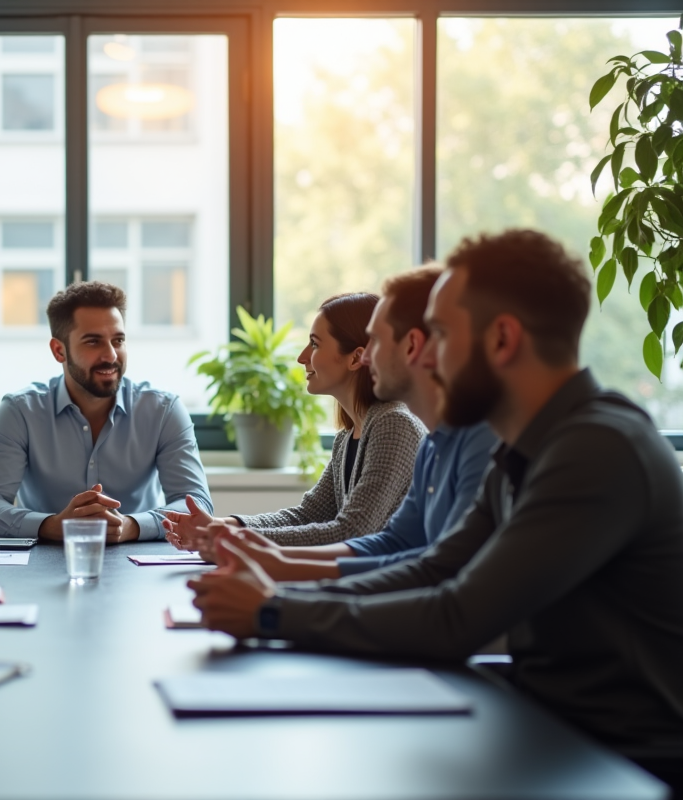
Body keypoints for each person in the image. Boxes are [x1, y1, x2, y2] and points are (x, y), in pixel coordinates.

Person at [189, 229, 683, 783]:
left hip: (620, 762)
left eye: (442, 334)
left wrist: (273, 612)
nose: (425, 354)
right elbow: (433, 566)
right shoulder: (525, 448)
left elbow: (458, 614)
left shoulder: (597, 448)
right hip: (544, 724)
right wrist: (275, 595)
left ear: (502, 340)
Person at [212, 267, 495, 581]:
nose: (366, 357)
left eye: (374, 341)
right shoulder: (428, 444)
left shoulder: (405, 427)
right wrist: (236, 533)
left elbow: (361, 534)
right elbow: (392, 543)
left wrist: (250, 553)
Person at [166, 292, 425, 553]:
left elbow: (352, 531)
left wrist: (229, 541)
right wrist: (221, 526)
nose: (302, 357)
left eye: (314, 344)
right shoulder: (347, 438)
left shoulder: (393, 425)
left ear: (356, 358)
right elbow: (307, 516)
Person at [0, 281, 212, 542]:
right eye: (93, 342)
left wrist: (130, 526)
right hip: (46, 560)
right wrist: (53, 525)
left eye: (118, 340)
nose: (110, 355)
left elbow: (196, 506)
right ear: (59, 350)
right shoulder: (19, 413)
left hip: (141, 560)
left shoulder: (163, 411)